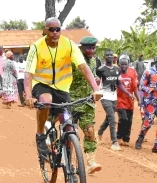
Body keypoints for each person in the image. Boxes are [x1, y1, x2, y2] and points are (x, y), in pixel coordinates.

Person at [24, 17, 102, 158]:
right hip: (42, 84)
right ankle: (40, 134)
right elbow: (28, 74)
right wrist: (29, 96)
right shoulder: (36, 47)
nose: (55, 32)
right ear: (45, 30)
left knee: (68, 125)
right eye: (51, 29)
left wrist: (96, 89)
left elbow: (83, 67)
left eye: (58, 29)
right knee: (46, 100)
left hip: (62, 88)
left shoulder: (69, 45)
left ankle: (67, 160)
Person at [70, 36, 102, 174]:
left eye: (93, 48)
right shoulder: (73, 60)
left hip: (87, 102)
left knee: (89, 131)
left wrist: (96, 82)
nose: (91, 50)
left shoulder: (94, 60)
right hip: (70, 101)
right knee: (69, 132)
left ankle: (91, 161)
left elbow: (92, 76)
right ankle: (65, 158)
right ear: (81, 48)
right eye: (88, 48)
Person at [97, 50, 122, 150]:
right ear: (104, 57)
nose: (109, 56)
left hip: (114, 97)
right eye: (107, 55)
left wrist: (128, 93)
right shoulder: (100, 69)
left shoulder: (117, 69)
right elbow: (97, 82)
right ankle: (114, 142)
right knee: (112, 118)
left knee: (108, 118)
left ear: (114, 57)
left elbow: (118, 83)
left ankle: (99, 132)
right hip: (104, 96)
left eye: (111, 55)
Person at [116, 57, 141, 146]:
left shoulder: (132, 73)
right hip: (119, 100)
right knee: (123, 119)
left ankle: (126, 138)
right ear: (119, 65)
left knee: (129, 120)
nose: (123, 66)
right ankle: (118, 136)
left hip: (130, 101)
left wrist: (139, 99)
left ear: (128, 65)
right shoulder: (116, 73)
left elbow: (135, 88)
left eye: (125, 64)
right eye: (122, 64)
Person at [135, 57, 157, 152]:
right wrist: (151, 89)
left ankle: (156, 146)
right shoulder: (149, 71)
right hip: (150, 101)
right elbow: (141, 86)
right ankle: (140, 139)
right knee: (147, 122)